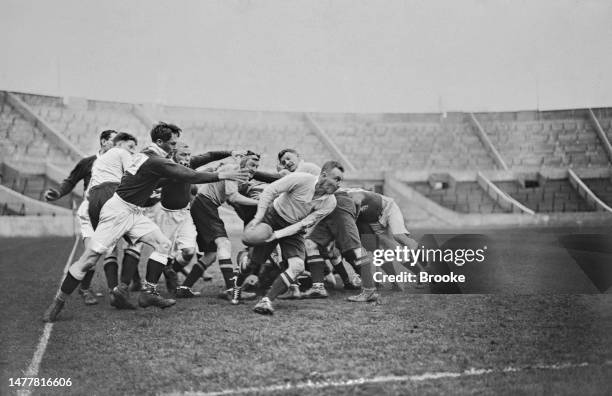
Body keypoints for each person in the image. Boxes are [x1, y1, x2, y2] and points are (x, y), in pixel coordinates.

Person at [42, 122, 250, 322]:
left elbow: (166, 177)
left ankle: (148, 292)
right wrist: (221, 174)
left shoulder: (150, 156)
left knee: (163, 245)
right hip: (117, 213)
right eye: (172, 144)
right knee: (88, 260)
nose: (175, 148)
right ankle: (57, 303)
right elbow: (188, 174)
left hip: (134, 212)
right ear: (160, 142)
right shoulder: (154, 159)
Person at [231, 161, 344, 315]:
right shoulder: (301, 179)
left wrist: (277, 235)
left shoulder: (331, 203)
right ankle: (237, 285)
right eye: (336, 179)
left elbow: (304, 224)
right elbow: (270, 190)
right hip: (273, 217)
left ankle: (266, 301)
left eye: (340, 181)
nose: (339, 184)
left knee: (297, 266)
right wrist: (258, 218)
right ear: (324, 175)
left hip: (294, 229)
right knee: (253, 263)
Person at [44, 129, 117, 305]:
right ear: (103, 141)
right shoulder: (88, 162)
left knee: (111, 251)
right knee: (91, 254)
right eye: (113, 140)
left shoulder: (119, 163)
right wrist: (58, 192)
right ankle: (84, 289)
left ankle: (115, 293)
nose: (116, 144)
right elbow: (71, 180)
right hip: (90, 210)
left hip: (110, 212)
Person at [176, 153, 261, 299]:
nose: (254, 169)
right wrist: (260, 203)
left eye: (257, 166)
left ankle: (184, 287)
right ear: (242, 162)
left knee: (211, 255)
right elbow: (233, 197)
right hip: (205, 204)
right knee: (224, 244)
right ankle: (231, 291)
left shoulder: (239, 175)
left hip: (203, 205)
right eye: (252, 165)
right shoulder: (232, 169)